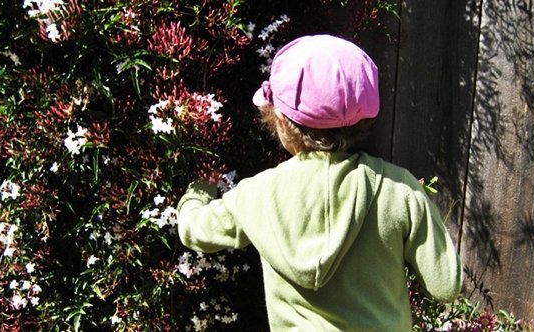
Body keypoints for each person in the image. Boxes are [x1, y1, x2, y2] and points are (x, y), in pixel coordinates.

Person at [177, 34, 462, 331]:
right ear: (364, 118)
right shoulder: (398, 189)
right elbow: (445, 285)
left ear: (282, 122)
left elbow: (193, 229)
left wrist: (200, 188)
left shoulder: (256, 194)